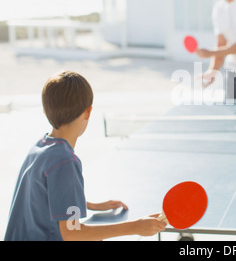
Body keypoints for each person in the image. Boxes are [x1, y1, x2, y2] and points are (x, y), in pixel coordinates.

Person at [4, 71, 166, 241]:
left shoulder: (39, 147)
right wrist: (135, 227)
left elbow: (42, 195)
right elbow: (72, 233)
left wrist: (87, 205)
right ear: (88, 112)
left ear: (45, 111)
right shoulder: (64, 161)